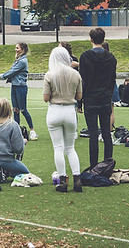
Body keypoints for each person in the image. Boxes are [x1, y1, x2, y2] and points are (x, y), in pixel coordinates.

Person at [44, 46, 83, 193]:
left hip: (54, 110)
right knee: (70, 148)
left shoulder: (49, 74)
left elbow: (45, 98)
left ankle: (62, 180)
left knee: (58, 148)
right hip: (69, 111)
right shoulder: (75, 74)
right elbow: (79, 97)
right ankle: (77, 178)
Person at [78, 27, 117, 167]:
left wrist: (79, 102)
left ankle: (94, 165)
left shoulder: (85, 56)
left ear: (91, 39)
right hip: (105, 98)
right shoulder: (111, 58)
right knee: (107, 133)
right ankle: (108, 162)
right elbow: (112, 80)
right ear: (104, 39)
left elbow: (83, 80)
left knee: (93, 135)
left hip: (90, 99)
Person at [0, 97, 29, 178]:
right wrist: (23, 142)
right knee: (26, 173)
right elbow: (18, 148)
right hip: (6, 160)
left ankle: (1, 171)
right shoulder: (12, 125)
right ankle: (7, 172)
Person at [1, 42, 37, 141]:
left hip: (21, 87)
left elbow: (12, 72)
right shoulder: (18, 60)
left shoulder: (22, 61)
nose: (16, 50)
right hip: (15, 86)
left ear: (23, 49)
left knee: (23, 110)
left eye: (17, 48)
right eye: (15, 48)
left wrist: (0, 76)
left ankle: (32, 131)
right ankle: (17, 132)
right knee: (15, 109)